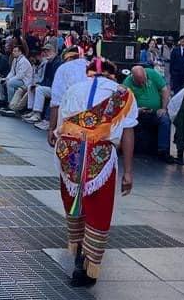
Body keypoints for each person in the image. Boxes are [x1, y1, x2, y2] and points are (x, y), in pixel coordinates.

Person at [53, 58, 138, 286]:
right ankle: (88, 265)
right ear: (113, 75)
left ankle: (77, 245)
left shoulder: (73, 89)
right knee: (98, 208)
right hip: (99, 155)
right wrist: (128, 172)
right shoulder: (122, 94)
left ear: (89, 74)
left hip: (69, 152)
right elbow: (128, 132)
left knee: (73, 201)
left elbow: (60, 124)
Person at [122, 64, 173, 161]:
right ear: (133, 77)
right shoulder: (127, 82)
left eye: (144, 81)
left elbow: (165, 91)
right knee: (126, 122)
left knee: (165, 120)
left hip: (155, 111)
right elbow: (124, 102)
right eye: (139, 82)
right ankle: (126, 148)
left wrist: (163, 108)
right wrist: (137, 110)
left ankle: (163, 150)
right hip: (138, 112)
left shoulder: (152, 74)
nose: (142, 84)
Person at [42, 46, 89, 138]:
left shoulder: (63, 68)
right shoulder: (92, 66)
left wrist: (51, 128)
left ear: (69, 58)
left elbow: (56, 102)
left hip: (71, 118)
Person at [23, 43, 60, 125]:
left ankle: (37, 114)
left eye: (48, 51)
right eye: (45, 51)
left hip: (55, 88)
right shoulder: (49, 63)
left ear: (54, 51)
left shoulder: (57, 63)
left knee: (40, 89)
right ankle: (32, 110)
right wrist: (38, 84)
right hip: (49, 85)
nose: (46, 53)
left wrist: (41, 85)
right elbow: (45, 79)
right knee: (31, 87)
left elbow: (55, 80)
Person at [0, 43, 34, 115]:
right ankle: (2, 100)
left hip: (24, 81)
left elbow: (20, 76)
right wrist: (6, 78)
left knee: (10, 83)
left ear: (20, 52)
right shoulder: (15, 60)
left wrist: (9, 80)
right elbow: (12, 72)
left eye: (15, 51)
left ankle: (10, 104)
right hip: (17, 79)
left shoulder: (24, 61)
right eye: (13, 51)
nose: (13, 52)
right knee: (1, 81)